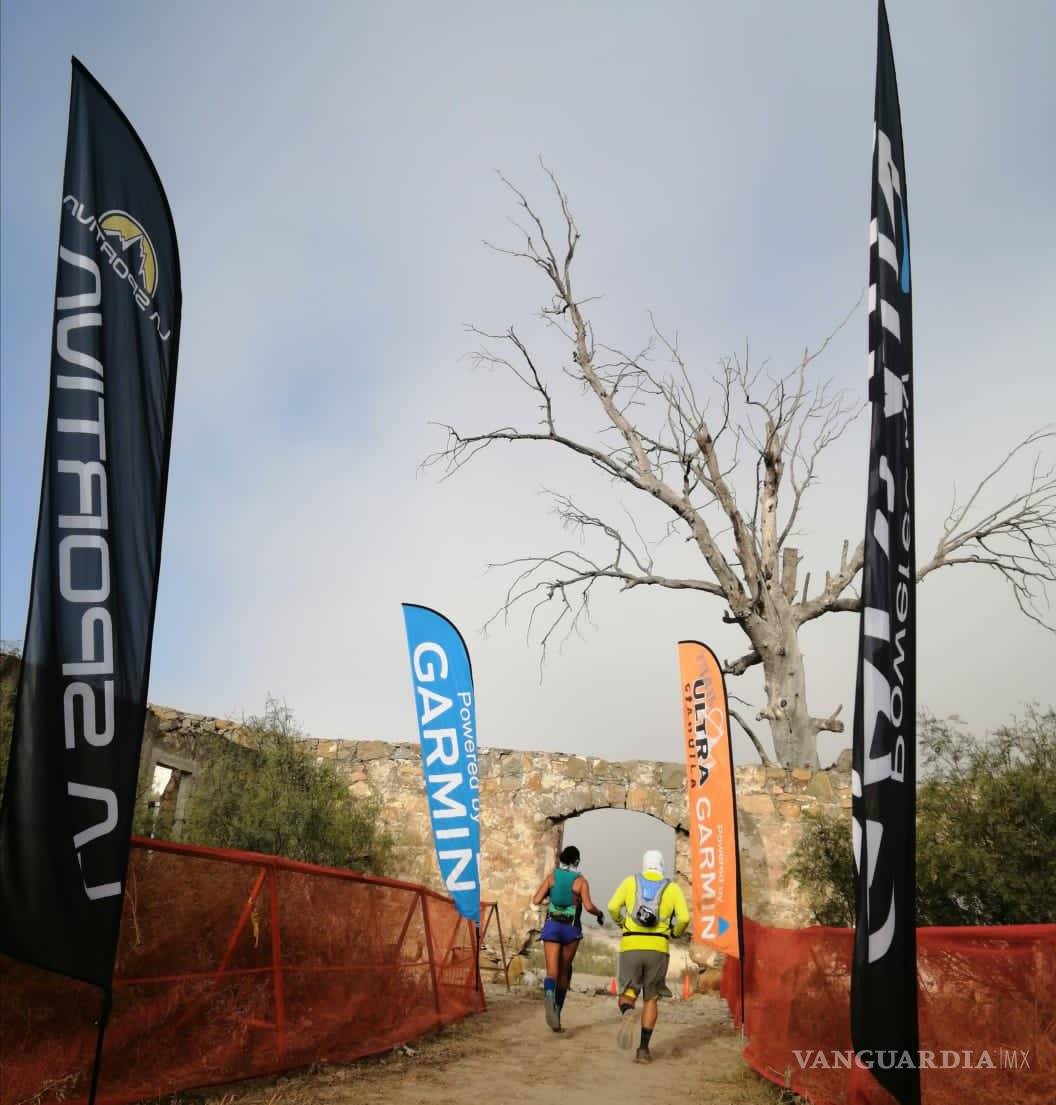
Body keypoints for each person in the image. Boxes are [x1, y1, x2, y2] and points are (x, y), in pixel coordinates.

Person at [607, 849, 690, 1063]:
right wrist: (674, 933)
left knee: (628, 992)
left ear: (644, 865)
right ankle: (643, 1050)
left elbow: (612, 907)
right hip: (658, 949)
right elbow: (684, 918)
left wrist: (621, 923)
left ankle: (627, 1012)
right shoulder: (672, 888)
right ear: (662, 865)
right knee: (651, 998)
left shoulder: (629, 882)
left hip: (631, 945)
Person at [531, 844, 604, 1031]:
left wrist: (551, 897)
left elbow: (536, 900)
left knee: (552, 973)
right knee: (564, 972)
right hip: (571, 930)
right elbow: (588, 907)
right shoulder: (581, 881)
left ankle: (548, 993)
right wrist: (599, 913)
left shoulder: (552, 877)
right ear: (577, 861)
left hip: (552, 927)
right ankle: (556, 1013)